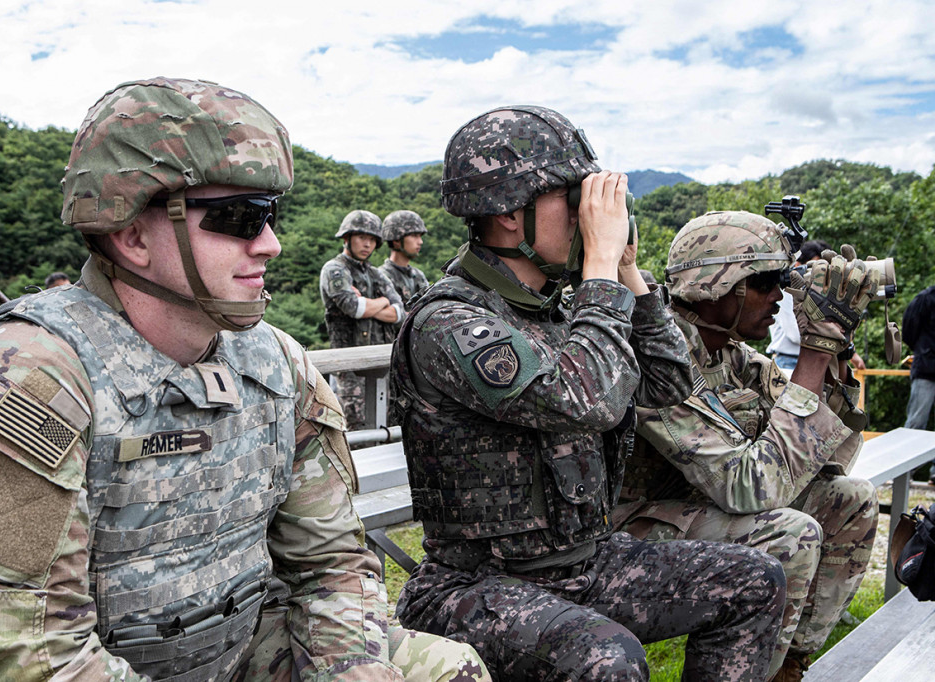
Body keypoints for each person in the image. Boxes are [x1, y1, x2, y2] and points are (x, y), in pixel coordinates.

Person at [0, 77, 488, 681]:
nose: (272, 244)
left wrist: (352, 671)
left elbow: (332, 565)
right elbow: (23, 652)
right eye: (240, 218)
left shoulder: (274, 362)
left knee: (445, 670)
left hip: (238, 648)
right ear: (133, 235)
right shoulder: (33, 378)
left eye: (270, 215)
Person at [390, 105, 786, 681]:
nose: (589, 217)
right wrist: (597, 267)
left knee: (754, 581)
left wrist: (626, 273)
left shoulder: (561, 313)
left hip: (583, 562)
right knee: (605, 658)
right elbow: (586, 400)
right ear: (506, 214)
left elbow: (672, 386)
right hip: (474, 585)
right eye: (573, 200)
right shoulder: (448, 322)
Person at [615, 211, 880, 681]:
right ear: (719, 285)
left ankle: (785, 667)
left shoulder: (733, 357)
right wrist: (812, 355)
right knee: (789, 532)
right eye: (766, 282)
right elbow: (749, 489)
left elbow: (833, 459)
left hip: (694, 509)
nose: (779, 296)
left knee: (851, 500)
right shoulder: (660, 357)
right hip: (627, 530)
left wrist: (834, 351)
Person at [319, 210, 404, 429]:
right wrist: (382, 302)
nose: (367, 244)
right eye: (361, 238)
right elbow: (353, 308)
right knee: (355, 425)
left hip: (381, 364)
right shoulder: (335, 269)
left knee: (385, 425)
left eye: (372, 240)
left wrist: (371, 304)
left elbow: (399, 314)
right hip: (350, 366)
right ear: (347, 238)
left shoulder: (376, 274)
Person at [768, 240, 865, 373]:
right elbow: (796, 335)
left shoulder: (824, 294)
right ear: (797, 265)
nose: (822, 275)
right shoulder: (787, 293)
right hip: (789, 363)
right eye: (816, 268)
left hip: (822, 360)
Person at [379, 210, 430, 343]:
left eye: (420, 236)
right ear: (396, 240)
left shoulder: (417, 275)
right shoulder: (382, 276)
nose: (420, 242)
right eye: (414, 236)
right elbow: (387, 318)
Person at [902, 283, 935, 481]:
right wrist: (923, 351)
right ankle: (905, 471)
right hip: (926, 367)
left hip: (926, 363)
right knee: (916, 421)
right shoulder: (926, 297)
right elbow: (908, 330)